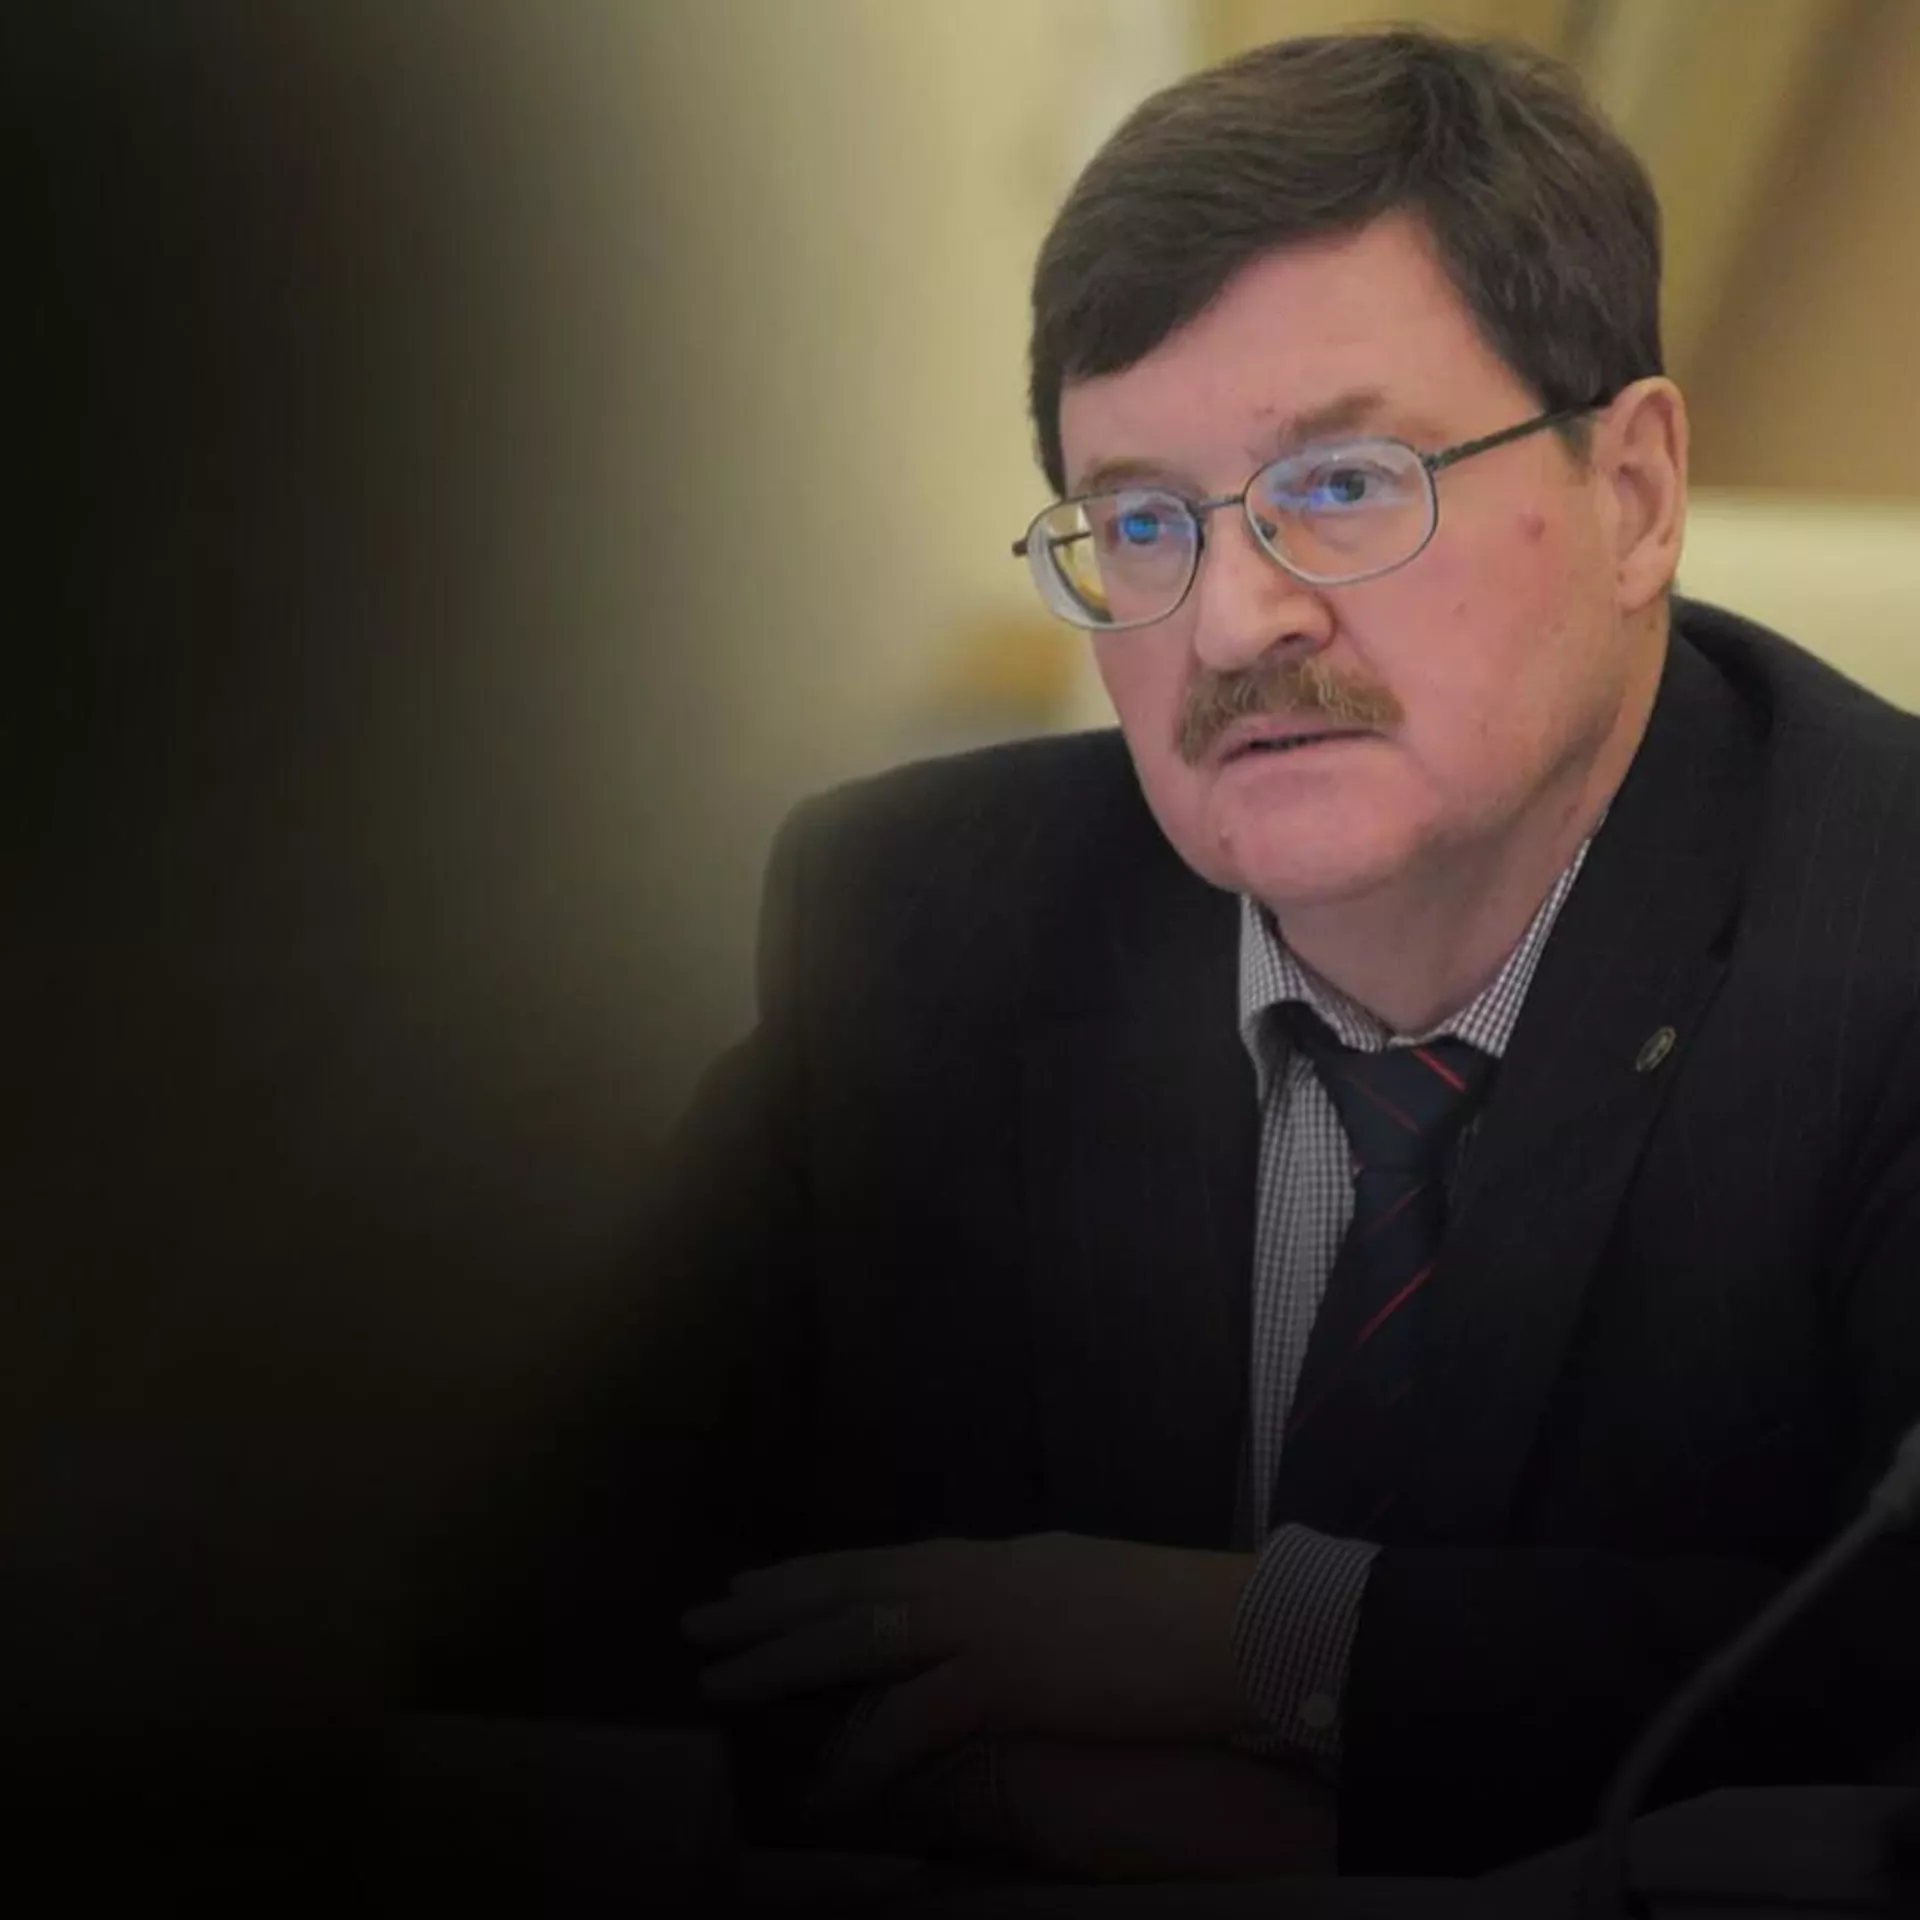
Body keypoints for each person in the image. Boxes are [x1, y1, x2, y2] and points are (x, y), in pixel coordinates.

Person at [506, 26, 1920, 1883]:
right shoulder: (922, 925)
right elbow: (561, 1626)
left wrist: (1245, 1642)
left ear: (1637, 492)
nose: (1237, 620)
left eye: (1344, 484)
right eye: (1143, 520)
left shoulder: (1883, 927)